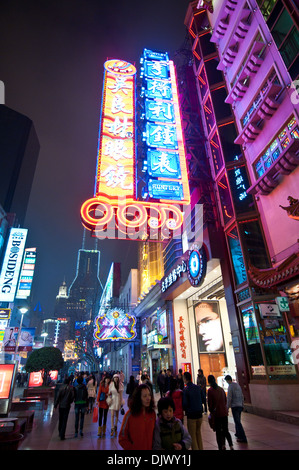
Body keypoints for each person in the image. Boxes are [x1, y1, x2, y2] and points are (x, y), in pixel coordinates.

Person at [118, 383, 156, 450]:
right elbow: (122, 438)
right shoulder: (129, 415)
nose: (148, 398)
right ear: (139, 398)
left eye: (149, 395)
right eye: (144, 396)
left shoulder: (152, 413)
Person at [208, 374, 233, 450]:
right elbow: (225, 401)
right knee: (225, 430)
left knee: (218, 432)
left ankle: (221, 446)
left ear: (209, 382)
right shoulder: (221, 389)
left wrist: (211, 411)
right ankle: (231, 445)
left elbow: (210, 404)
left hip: (217, 414)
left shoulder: (210, 391)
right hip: (224, 413)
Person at [182, 371, 203, 450]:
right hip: (199, 414)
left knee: (192, 436)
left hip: (191, 415)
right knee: (198, 433)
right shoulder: (197, 387)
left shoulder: (186, 389)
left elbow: (185, 404)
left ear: (185, 379)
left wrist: (186, 410)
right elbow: (203, 398)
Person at [225, 375, 247, 443]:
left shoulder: (230, 387)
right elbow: (242, 395)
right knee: (238, 420)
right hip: (239, 405)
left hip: (235, 406)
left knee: (237, 422)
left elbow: (229, 398)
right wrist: (242, 405)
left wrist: (227, 407)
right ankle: (238, 434)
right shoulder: (237, 385)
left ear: (228, 380)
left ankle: (243, 437)